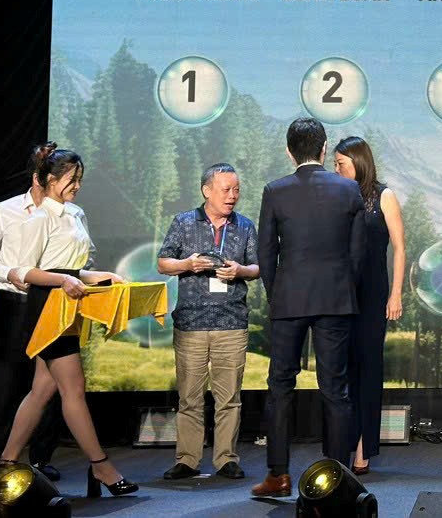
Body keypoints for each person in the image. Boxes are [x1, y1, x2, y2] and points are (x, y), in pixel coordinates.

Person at [0, 149, 137, 498]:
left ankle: (5, 461)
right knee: (73, 388)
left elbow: (71, 267)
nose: (77, 185)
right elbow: (25, 271)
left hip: (66, 308)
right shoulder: (39, 218)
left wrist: (98, 276)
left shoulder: (73, 214)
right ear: (50, 180)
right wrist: (63, 280)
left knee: (42, 389)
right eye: (71, 179)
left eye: (80, 179)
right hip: (46, 310)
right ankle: (101, 466)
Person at [252, 118, 367, 499]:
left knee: (280, 387)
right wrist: (343, 289)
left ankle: (278, 475)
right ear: (324, 148)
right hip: (335, 299)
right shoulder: (348, 189)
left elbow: (266, 252)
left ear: (289, 151)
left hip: (290, 299)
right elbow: (357, 253)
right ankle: (338, 478)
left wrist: (278, 293)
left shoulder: (275, 190)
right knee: (336, 389)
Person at [0, 142, 87, 480]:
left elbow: (79, 259)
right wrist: (12, 273)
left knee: (49, 384)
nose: (74, 185)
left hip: (53, 301)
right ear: (41, 178)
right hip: (15, 303)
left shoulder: (70, 214)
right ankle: (2, 459)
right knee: (9, 381)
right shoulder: (5, 210)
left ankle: (40, 459)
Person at [156, 163, 259, 481]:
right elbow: (163, 263)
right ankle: (187, 459)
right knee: (189, 398)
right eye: (226, 189)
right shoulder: (184, 222)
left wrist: (240, 271)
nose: (233, 196)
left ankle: (226, 458)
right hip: (191, 323)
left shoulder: (244, 225)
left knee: (229, 398)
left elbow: (258, 267)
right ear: (207, 190)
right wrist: (187, 264)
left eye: (236, 189)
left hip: (232, 322)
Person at [332, 136, 406, 475]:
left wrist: (396, 293)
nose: (336, 169)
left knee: (368, 370)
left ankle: (364, 449)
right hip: (339, 293)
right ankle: (341, 445)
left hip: (374, 293)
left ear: (358, 163)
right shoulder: (336, 196)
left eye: (341, 164)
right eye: (334, 164)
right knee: (342, 371)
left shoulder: (383, 196)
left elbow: (399, 248)